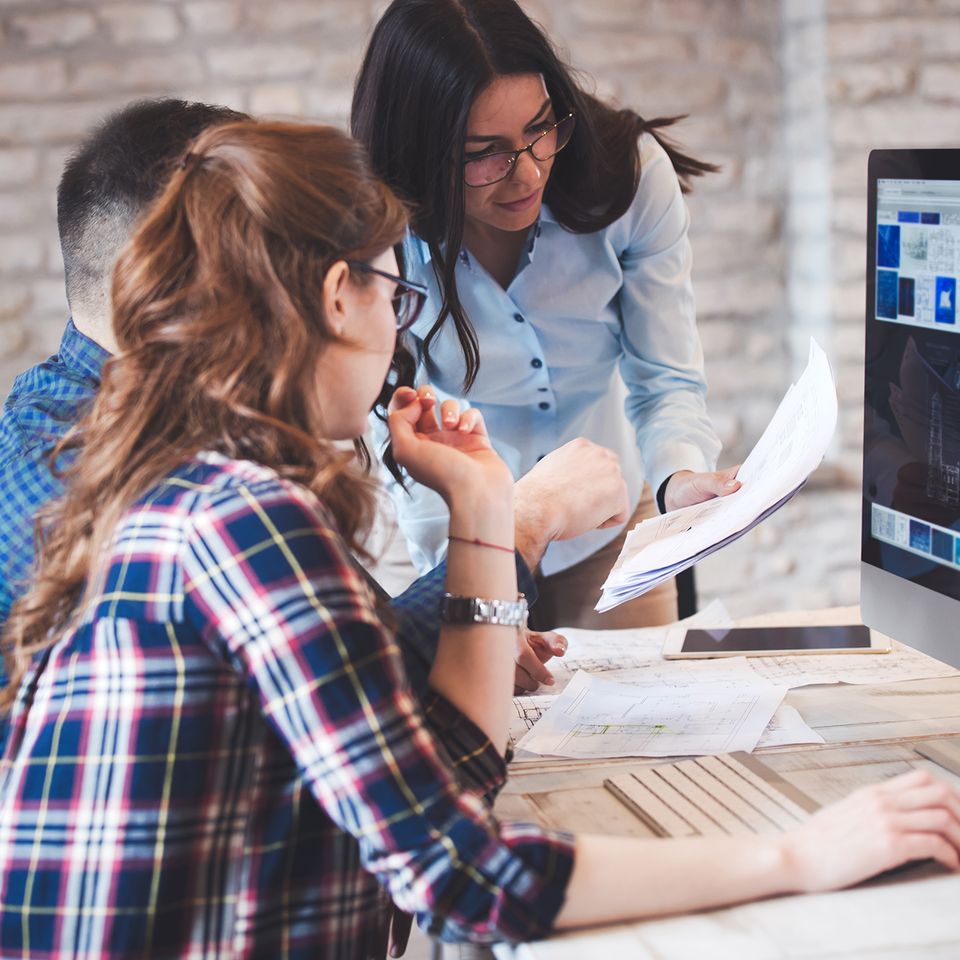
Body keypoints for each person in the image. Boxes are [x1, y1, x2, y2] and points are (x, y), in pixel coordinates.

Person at [1, 118, 958, 959]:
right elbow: (464, 876)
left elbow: (454, 763)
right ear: (341, 295)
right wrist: (800, 855)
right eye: (394, 298)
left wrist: (483, 509)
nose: (396, 335)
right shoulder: (242, 519)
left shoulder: (201, 494)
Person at [0, 97, 630, 744]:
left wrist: (478, 612)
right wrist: (515, 522)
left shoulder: (157, 437)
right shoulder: (99, 478)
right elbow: (364, 703)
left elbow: (347, 655)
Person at [352, 0, 744, 631]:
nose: (528, 172)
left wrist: (678, 479)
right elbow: (390, 422)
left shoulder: (630, 179)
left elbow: (666, 377)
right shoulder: (378, 231)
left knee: (647, 719)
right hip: (471, 527)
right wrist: (468, 580)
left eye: (539, 129)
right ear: (421, 153)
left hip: (612, 523)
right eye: (486, 153)